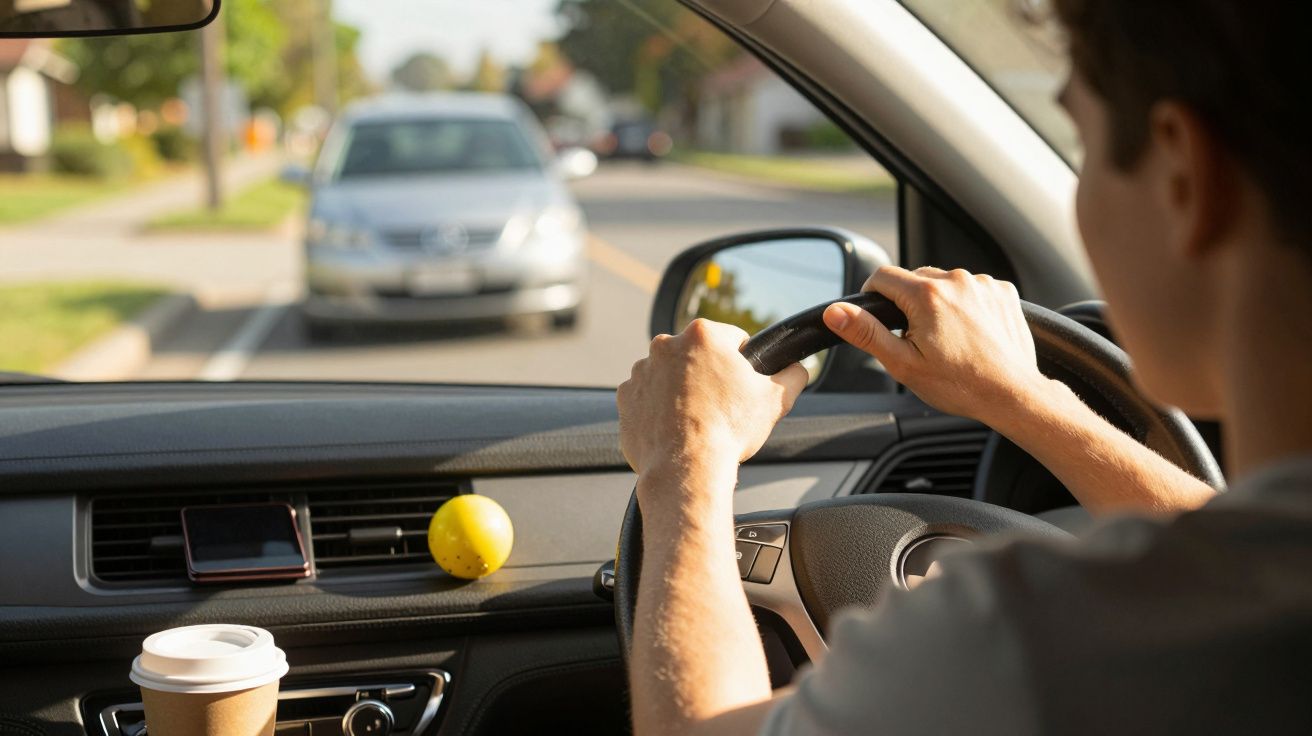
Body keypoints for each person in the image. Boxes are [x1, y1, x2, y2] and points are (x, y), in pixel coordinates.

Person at [615, 0, 1312, 733]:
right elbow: (1230, 555)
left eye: (1082, 146)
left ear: (1183, 175)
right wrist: (1025, 398)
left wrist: (684, 463)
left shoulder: (1025, 647)